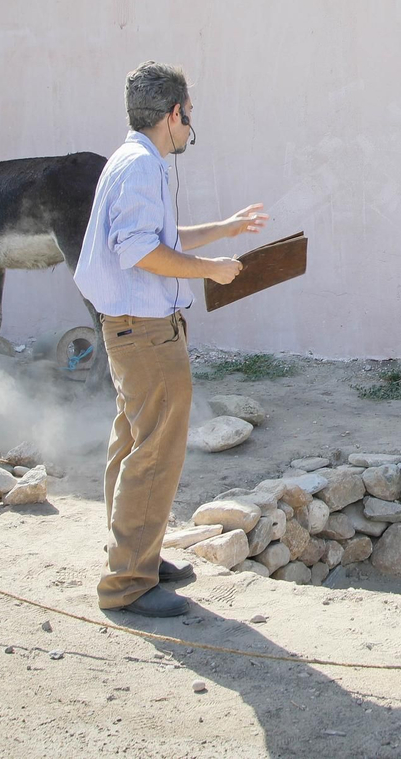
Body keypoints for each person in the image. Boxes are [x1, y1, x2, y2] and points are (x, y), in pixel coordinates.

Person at [74, 61, 269, 617]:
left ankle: (137, 554)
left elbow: (158, 236)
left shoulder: (131, 160)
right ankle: (129, 583)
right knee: (154, 452)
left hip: (131, 330)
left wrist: (225, 228)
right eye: (189, 118)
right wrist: (210, 269)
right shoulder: (142, 167)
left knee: (133, 444)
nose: (189, 130)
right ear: (174, 113)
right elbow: (140, 250)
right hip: (146, 334)